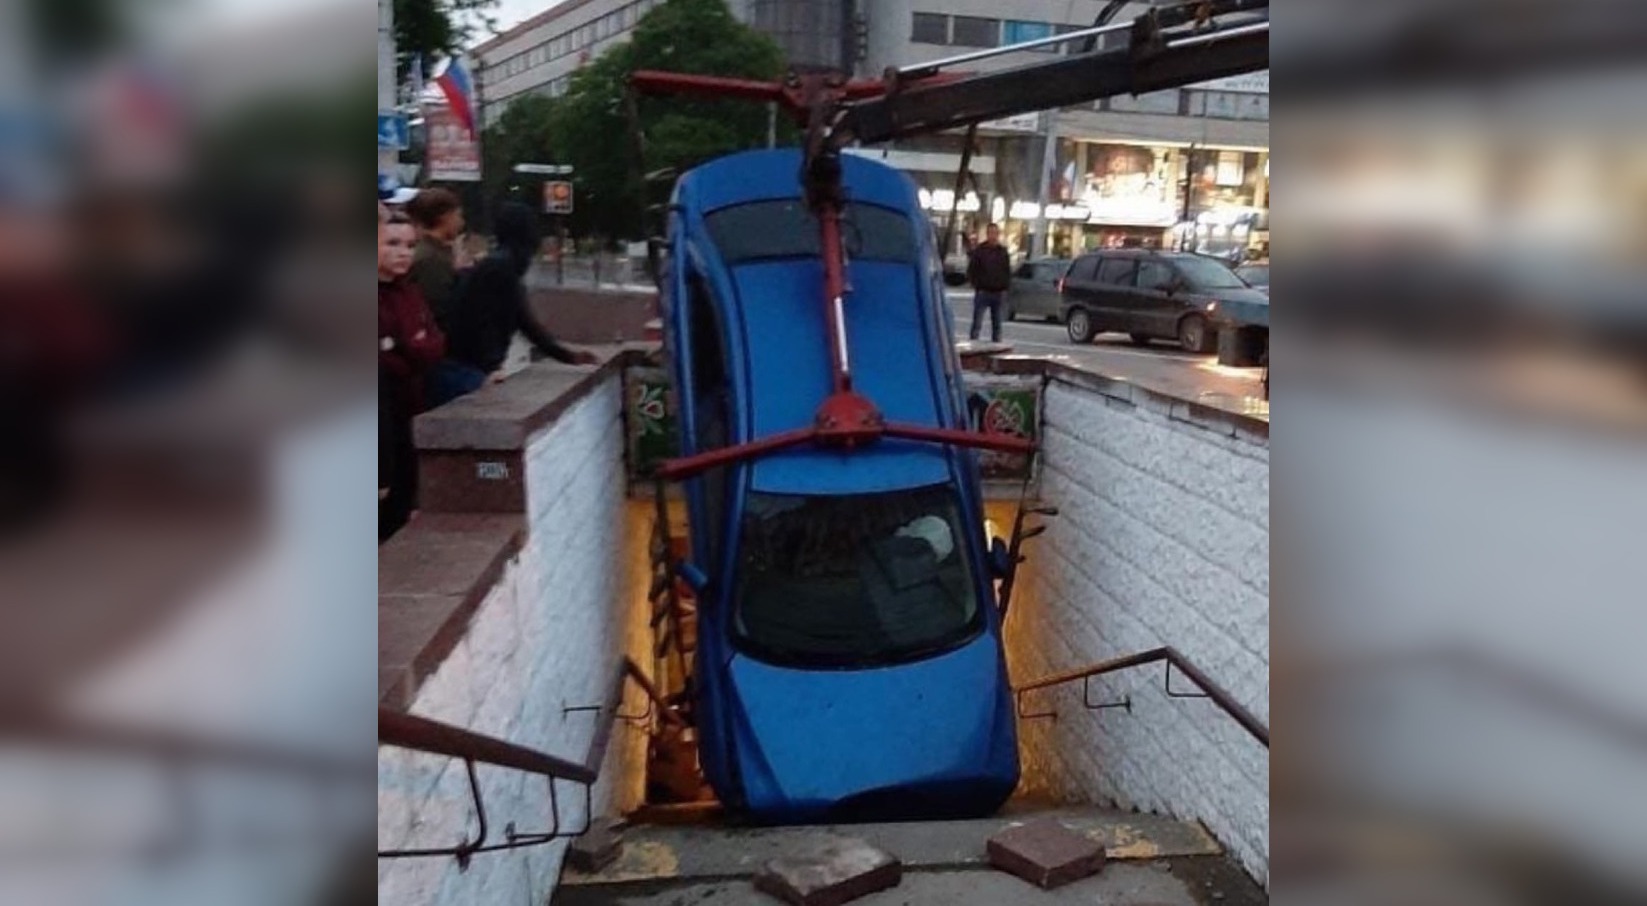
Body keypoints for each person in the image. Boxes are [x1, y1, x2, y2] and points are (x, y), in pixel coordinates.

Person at [437, 201, 596, 406]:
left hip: (464, 365)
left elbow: (522, 319)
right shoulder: (501, 268)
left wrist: (567, 356)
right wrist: (491, 367)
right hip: (469, 369)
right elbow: (487, 320)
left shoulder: (500, 264)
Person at [378, 211, 445, 541]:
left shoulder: (410, 294)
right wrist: (412, 346)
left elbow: (434, 347)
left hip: (410, 417)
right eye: (392, 243)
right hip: (378, 430)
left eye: (409, 245)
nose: (403, 252)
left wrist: (402, 346)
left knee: (400, 516)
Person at [405, 187, 466, 330]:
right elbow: (440, 308)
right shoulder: (431, 259)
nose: (461, 222)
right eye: (458, 216)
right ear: (444, 217)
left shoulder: (435, 251)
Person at [966, 222, 1011, 343]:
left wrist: (1005, 287)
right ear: (987, 234)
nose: (993, 236)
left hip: (998, 292)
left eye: (995, 233)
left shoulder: (1002, 252)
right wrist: (976, 284)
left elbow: (1007, 271)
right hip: (983, 291)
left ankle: (996, 347)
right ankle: (973, 345)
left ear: (998, 234)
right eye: (990, 233)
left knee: (997, 324)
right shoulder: (980, 250)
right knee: (977, 323)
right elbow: (972, 269)